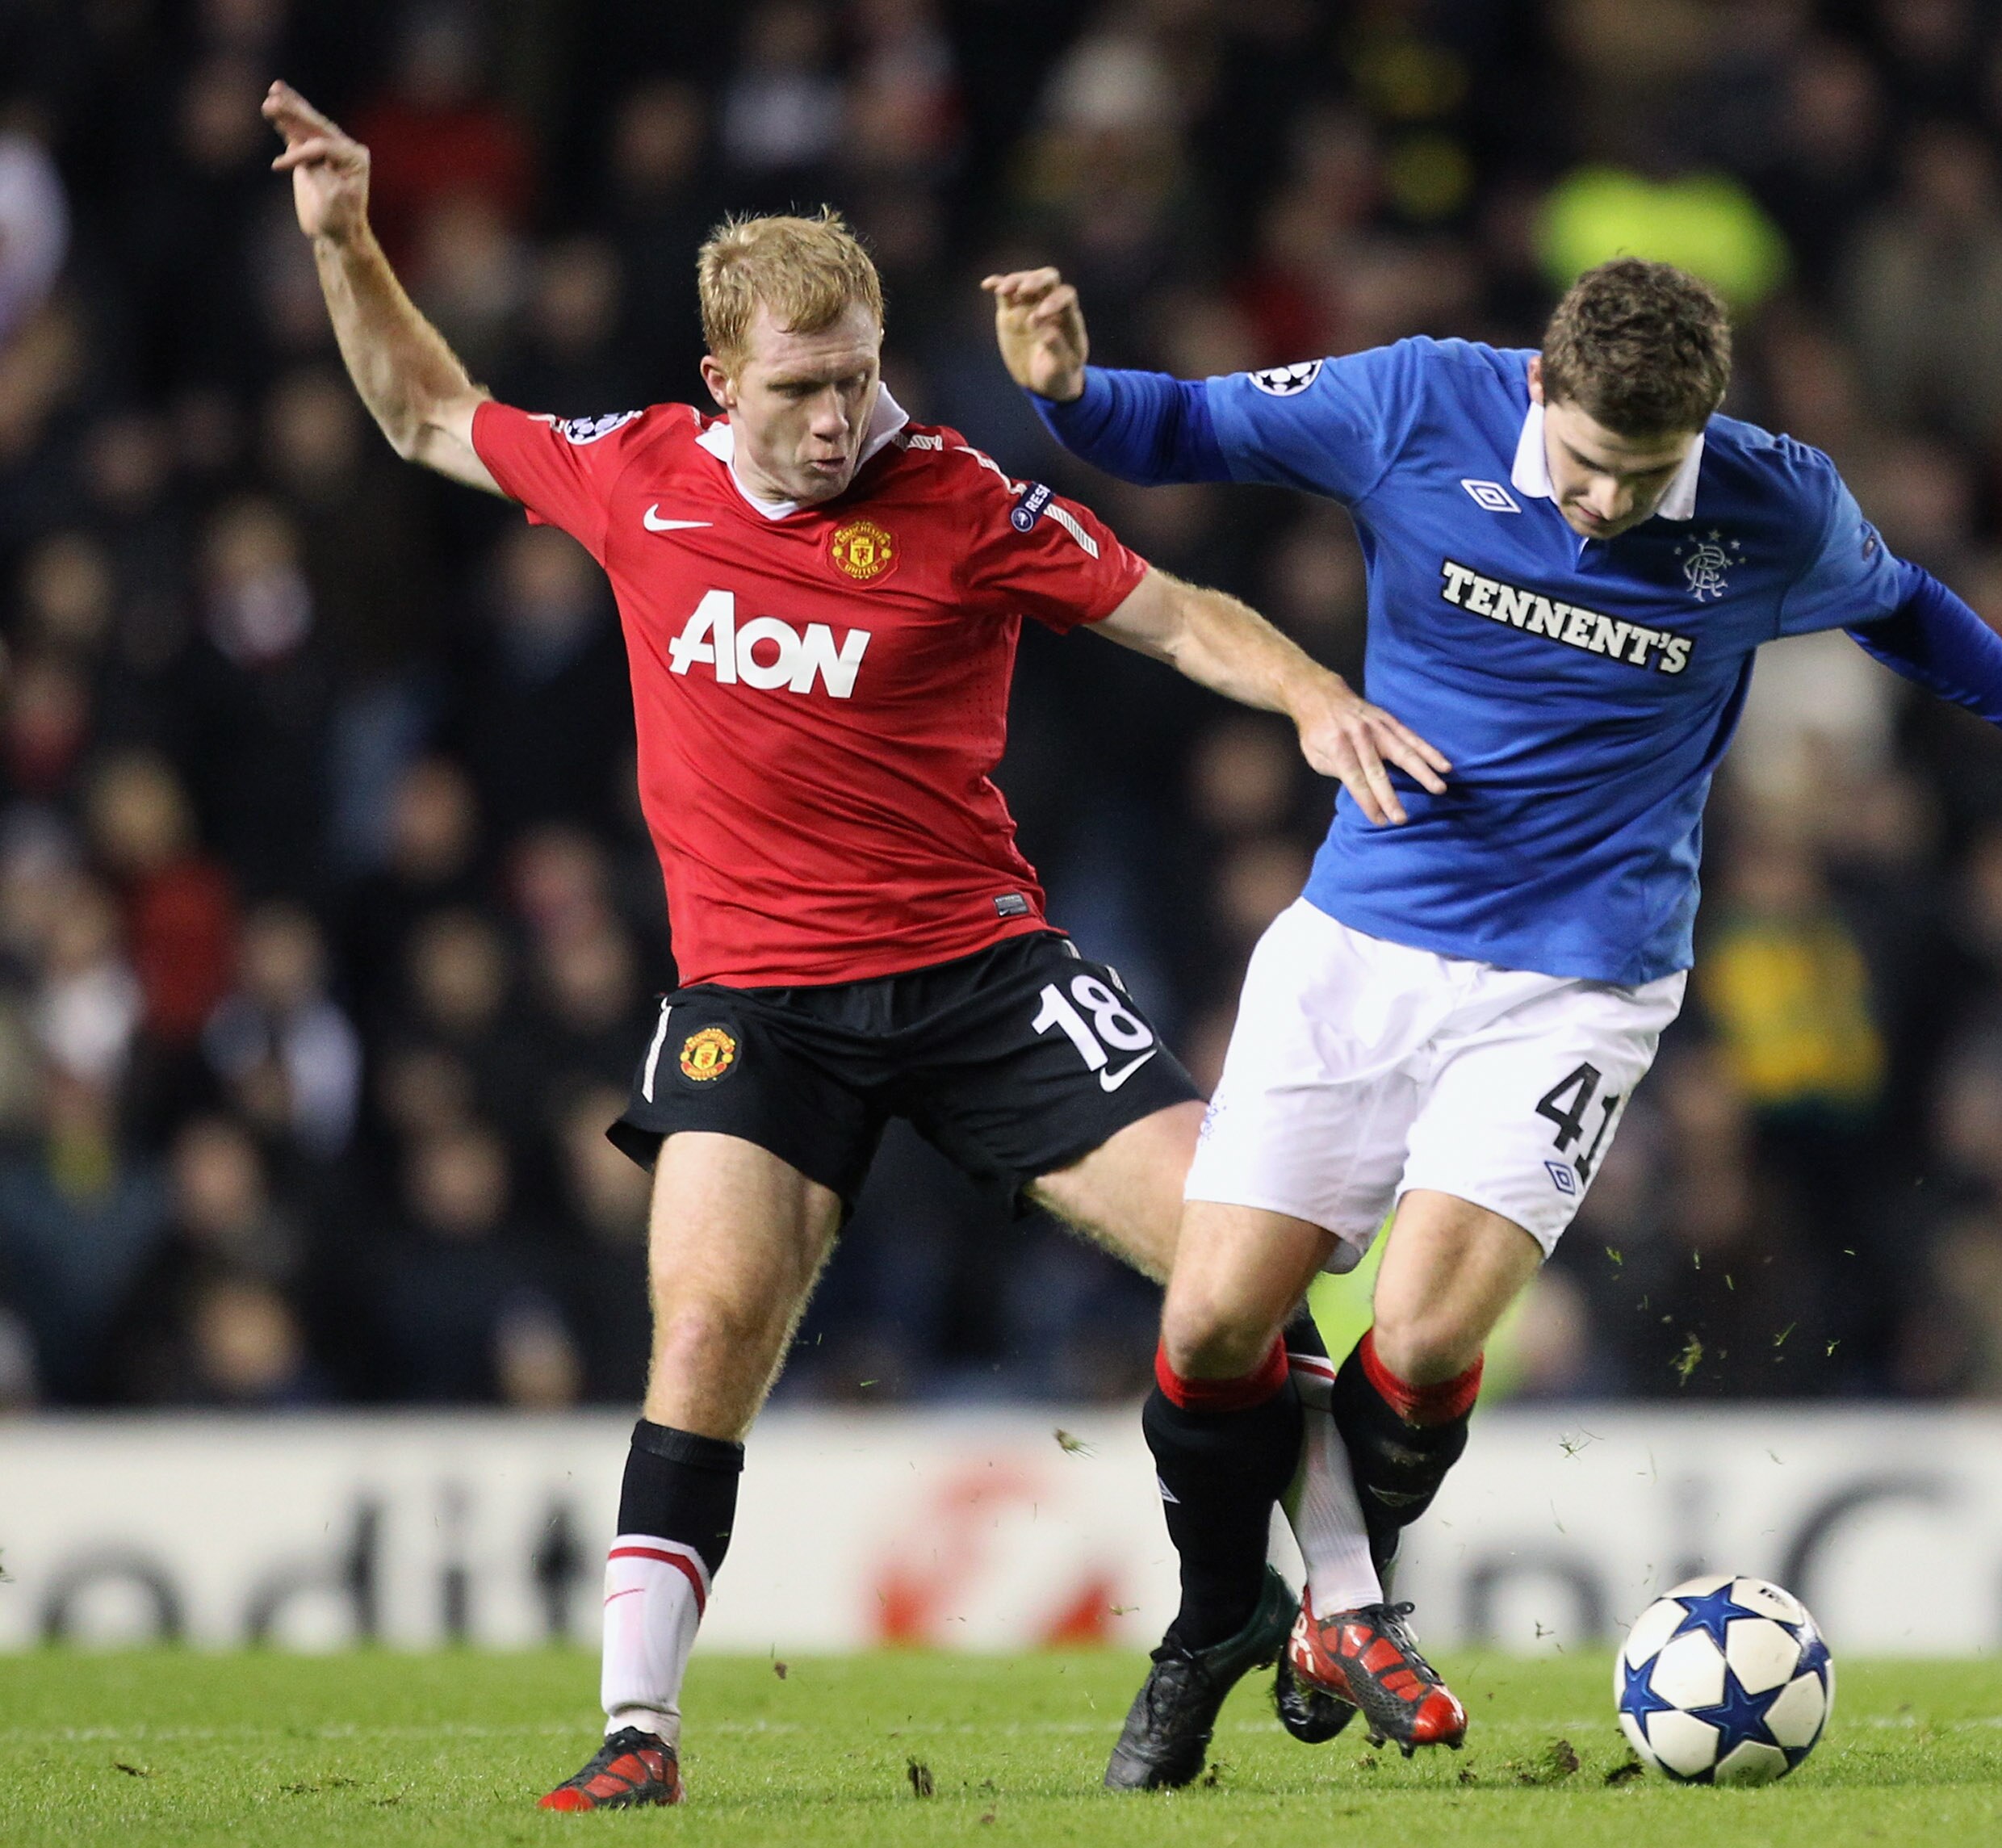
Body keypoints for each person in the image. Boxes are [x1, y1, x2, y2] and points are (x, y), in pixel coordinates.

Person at [262, 81, 1449, 1809]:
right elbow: (425, 412)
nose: (841, 419)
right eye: (803, 389)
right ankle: (638, 1731)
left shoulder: (960, 495)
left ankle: (1347, 1605)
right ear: (720, 382)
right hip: (761, 1000)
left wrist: (1315, 693)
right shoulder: (635, 477)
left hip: (982, 971)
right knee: (704, 1325)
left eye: (861, 375)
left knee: (1238, 1260)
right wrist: (346, 239)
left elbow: (1175, 612)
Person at [989, 254, 2002, 1780]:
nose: (1602, 506)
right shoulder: (1413, 399)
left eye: (1642, 481)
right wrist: (1065, 388)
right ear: (1536, 392)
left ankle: (1325, 1605)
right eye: (1581, 466)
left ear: (1699, 435)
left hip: (1583, 975)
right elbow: (1176, 430)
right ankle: (1233, 1619)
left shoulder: (1774, 504)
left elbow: (1907, 609)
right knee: (1216, 1317)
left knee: (1430, 1331)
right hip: (1363, 943)